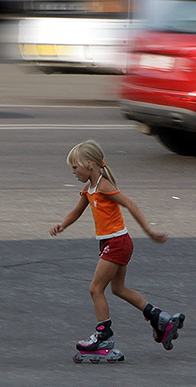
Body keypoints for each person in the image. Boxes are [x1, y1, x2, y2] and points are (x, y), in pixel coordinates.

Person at [50, 140, 184, 354]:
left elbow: (130, 204)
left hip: (117, 243)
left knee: (95, 289)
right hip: (114, 242)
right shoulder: (90, 188)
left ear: (90, 164)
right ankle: (160, 318)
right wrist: (62, 225)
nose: (73, 172)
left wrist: (149, 231)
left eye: (75, 167)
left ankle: (104, 337)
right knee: (118, 289)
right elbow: (77, 211)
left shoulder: (104, 186)